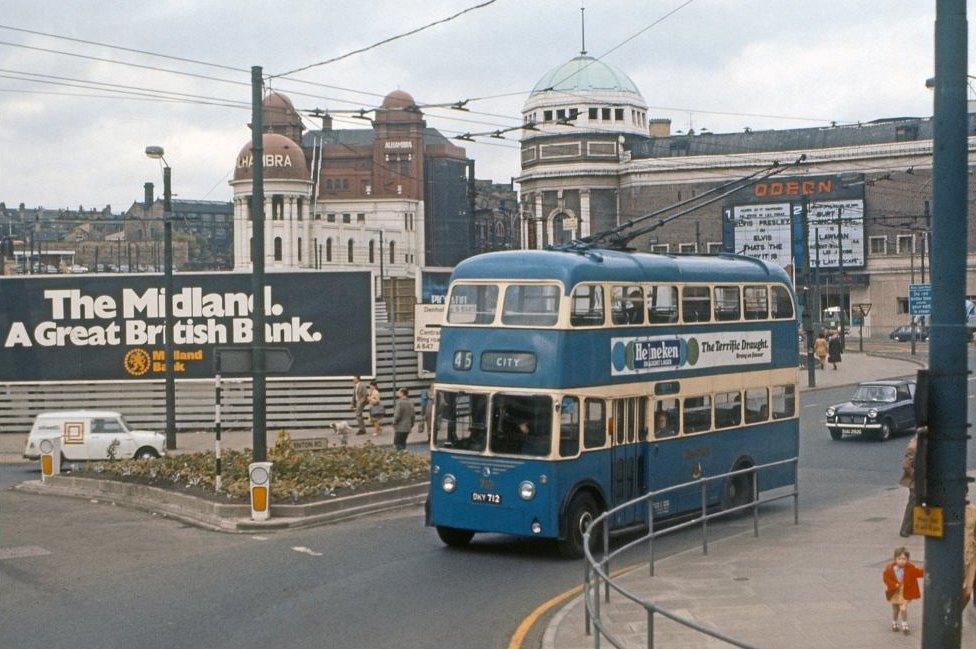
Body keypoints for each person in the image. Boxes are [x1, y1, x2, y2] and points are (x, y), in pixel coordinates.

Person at [882, 546, 924, 634]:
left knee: (903, 608)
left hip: (905, 592)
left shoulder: (910, 568)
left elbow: (918, 572)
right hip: (894, 592)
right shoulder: (889, 569)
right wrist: (893, 585)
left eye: (904, 559)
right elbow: (886, 579)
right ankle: (894, 623)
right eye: (899, 558)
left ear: (907, 559)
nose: (901, 561)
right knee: (895, 609)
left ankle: (905, 624)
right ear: (895, 559)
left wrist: (928, 570)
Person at [899, 431, 919, 537]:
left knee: (917, 503)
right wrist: (916, 475)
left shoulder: (918, 445)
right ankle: (905, 529)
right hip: (915, 481)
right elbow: (906, 465)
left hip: (920, 480)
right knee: (912, 503)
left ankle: (912, 527)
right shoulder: (913, 447)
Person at [962, 496, 976, 608]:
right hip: (951, 557)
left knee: (967, 591)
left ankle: (955, 617)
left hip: (970, 554)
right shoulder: (945, 508)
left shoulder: (972, 510)